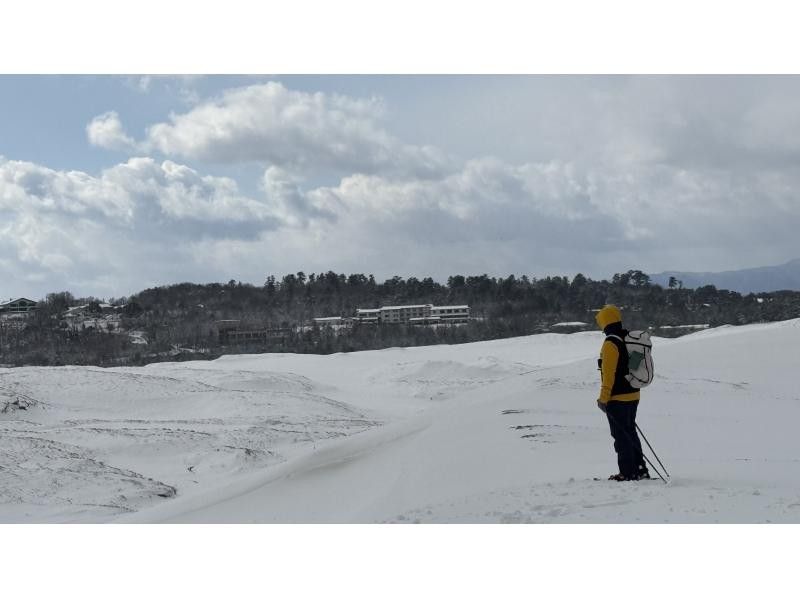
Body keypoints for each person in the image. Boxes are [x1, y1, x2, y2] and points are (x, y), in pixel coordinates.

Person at [595, 304, 650, 481]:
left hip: (617, 398)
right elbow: (633, 365)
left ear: (604, 322)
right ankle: (640, 469)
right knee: (630, 432)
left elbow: (608, 374)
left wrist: (603, 399)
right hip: (634, 394)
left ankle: (627, 472)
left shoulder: (611, 343)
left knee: (621, 437)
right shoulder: (627, 338)